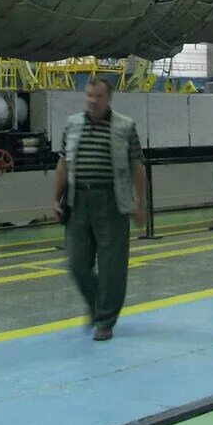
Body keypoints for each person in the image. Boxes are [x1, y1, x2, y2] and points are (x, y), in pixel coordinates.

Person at [53, 78, 146, 341]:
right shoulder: (72, 125)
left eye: (98, 97)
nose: (93, 101)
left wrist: (140, 204)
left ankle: (105, 320)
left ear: (109, 98)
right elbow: (63, 163)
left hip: (112, 201)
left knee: (111, 265)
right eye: (89, 96)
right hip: (78, 200)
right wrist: (56, 198)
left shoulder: (125, 127)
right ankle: (97, 305)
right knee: (76, 262)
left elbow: (138, 167)